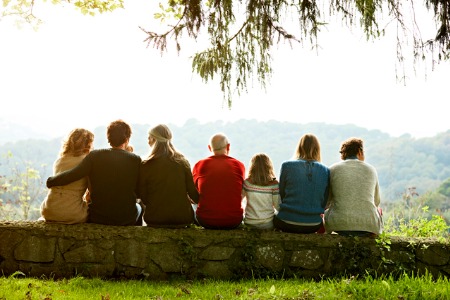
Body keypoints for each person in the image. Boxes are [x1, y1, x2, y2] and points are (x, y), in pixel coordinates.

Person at [46, 119, 143, 226]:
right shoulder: (135, 159)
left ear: (108, 138)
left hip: (97, 217)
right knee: (139, 207)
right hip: (125, 218)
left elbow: (74, 174)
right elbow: (139, 191)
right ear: (127, 139)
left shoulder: (94, 156)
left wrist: (51, 181)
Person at [138, 124, 199, 228]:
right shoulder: (182, 162)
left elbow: (142, 194)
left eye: (149, 138)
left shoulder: (146, 164)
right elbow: (193, 194)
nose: (148, 141)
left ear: (153, 139)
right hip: (182, 218)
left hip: (155, 218)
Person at [324, 137, 383, 237]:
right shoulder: (371, 170)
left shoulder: (332, 169)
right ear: (359, 152)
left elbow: (327, 201)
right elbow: (376, 201)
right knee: (379, 210)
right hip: (368, 225)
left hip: (338, 224)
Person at [274, 133, 330, 233]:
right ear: (317, 149)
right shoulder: (325, 170)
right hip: (313, 224)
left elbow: (282, 193)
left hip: (286, 221)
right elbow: (324, 201)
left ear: (299, 147)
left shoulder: (287, 166)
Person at [40, 128, 94, 224]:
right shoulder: (87, 162)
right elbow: (91, 191)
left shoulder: (59, 161)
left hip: (48, 209)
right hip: (71, 212)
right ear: (88, 144)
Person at [192, 133, 245, 229]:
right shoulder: (239, 165)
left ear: (209, 148)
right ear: (228, 146)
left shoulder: (199, 165)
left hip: (205, 220)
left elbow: (193, 194)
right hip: (233, 220)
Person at [242, 153, 280, 230]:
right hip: (268, 224)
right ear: (269, 166)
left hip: (249, 222)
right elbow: (277, 206)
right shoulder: (274, 184)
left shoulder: (247, 182)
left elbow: (239, 200)